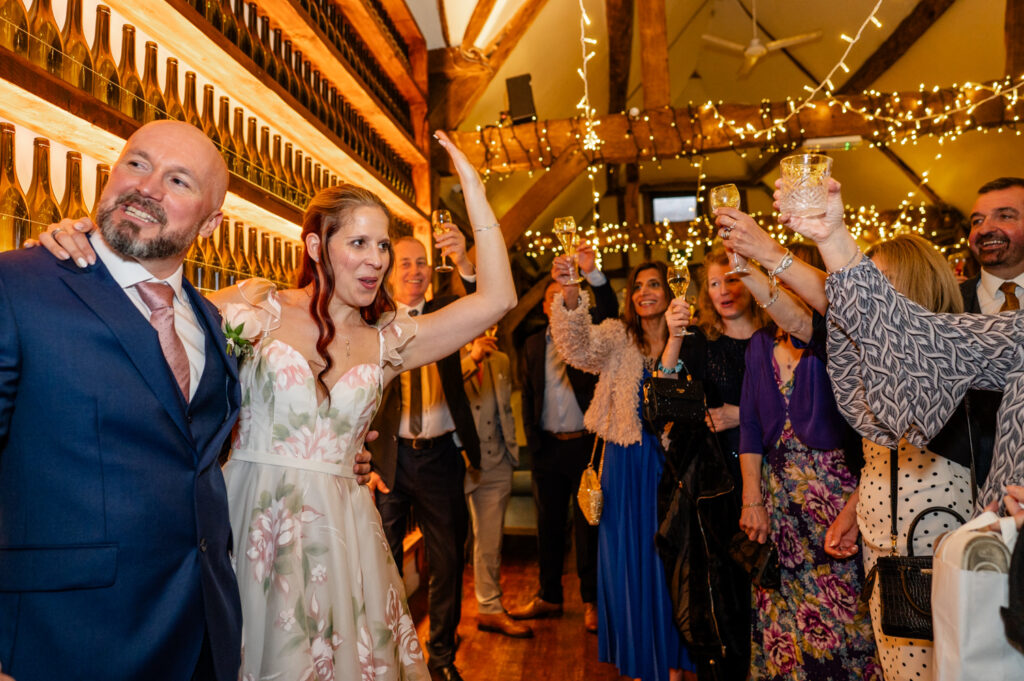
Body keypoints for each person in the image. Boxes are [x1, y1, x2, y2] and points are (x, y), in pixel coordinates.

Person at [214, 131, 514, 681]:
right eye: (359, 243)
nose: (376, 259)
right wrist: (88, 246)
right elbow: (155, 324)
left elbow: (498, 299)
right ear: (314, 247)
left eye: (382, 246)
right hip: (250, 519)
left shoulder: (390, 339)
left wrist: (473, 192)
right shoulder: (258, 309)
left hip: (342, 530)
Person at [0, 120, 243, 681]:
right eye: (137, 163)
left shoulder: (210, 321)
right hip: (65, 640)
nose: (148, 187)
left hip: (204, 637)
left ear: (211, 224)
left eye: (178, 181)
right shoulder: (17, 287)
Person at [711, 210, 880, 680]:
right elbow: (749, 431)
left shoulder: (838, 345)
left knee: (846, 622)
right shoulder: (759, 345)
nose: (782, 294)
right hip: (779, 504)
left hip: (835, 500)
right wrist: (753, 498)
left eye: (792, 284)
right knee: (781, 618)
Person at [550, 257, 695, 681]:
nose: (645, 292)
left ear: (671, 293)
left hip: (672, 463)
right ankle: (636, 660)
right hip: (623, 458)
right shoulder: (616, 335)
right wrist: (573, 294)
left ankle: (671, 657)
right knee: (625, 562)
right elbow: (575, 348)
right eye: (638, 286)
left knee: (666, 560)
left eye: (654, 284)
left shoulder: (691, 337)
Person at [365, 225, 484, 680]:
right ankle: (393, 656)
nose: (415, 270)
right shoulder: (372, 318)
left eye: (422, 262)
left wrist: (464, 262)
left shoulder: (448, 312)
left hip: (440, 458)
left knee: (448, 560)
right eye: (406, 262)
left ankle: (441, 659)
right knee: (385, 561)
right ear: (391, 271)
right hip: (389, 459)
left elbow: (485, 299)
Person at [654, 246, 767, 679]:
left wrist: (741, 413)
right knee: (723, 593)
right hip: (717, 484)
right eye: (714, 283)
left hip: (770, 473)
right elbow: (663, 397)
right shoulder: (701, 341)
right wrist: (674, 335)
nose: (723, 291)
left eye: (732, 280)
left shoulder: (774, 335)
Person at [510, 245, 618, 634]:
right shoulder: (532, 345)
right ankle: (549, 597)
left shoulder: (591, 339)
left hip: (586, 447)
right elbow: (527, 395)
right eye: (553, 297)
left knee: (588, 527)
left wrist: (592, 276)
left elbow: (609, 310)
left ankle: (591, 601)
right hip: (547, 448)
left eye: (567, 295)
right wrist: (534, 446)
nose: (561, 301)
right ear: (545, 308)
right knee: (548, 526)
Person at [461, 327, 531, 639]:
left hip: (496, 462)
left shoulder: (501, 360)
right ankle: (443, 625)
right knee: (447, 547)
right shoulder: (443, 355)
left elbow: (504, 409)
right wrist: (471, 358)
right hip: (454, 466)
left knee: (490, 543)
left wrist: (511, 453)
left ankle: (490, 608)